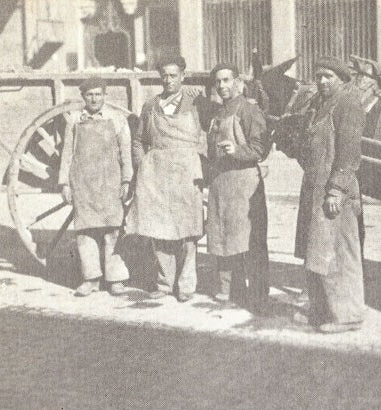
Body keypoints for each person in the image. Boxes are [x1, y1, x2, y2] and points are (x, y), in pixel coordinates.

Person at [294, 56, 367, 333]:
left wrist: (337, 189)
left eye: (329, 77)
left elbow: (349, 154)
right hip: (315, 187)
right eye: (319, 76)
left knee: (339, 252)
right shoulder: (320, 105)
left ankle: (348, 316)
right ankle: (321, 310)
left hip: (334, 191)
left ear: (342, 79)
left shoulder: (348, 104)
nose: (322, 81)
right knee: (316, 250)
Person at [126, 56, 205, 302]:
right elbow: (139, 140)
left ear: (183, 75)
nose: (168, 80)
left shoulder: (196, 103)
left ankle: (186, 285)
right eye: (165, 76)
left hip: (186, 173)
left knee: (188, 231)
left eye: (174, 75)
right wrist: (143, 163)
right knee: (158, 230)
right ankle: (164, 283)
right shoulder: (151, 105)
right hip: (156, 174)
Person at [59, 77, 132, 297]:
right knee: (85, 231)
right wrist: (64, 183)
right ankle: (90, 278)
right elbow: (67, 154)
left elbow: (126, 153)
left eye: (98, 94)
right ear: (83, 97)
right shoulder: (74, 120)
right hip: (83, 183)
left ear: (105, 96)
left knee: (113, 230)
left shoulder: (117, 119)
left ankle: (115, 279)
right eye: (89, 95)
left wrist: (126, 179)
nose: (94, 98)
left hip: (110, 182)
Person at [206, 63, 270, 307]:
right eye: (218, 82)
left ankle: (258, 294)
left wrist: (237, 150)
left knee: (250, 241)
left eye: (226, 80)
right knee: (223, 237)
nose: (222, 86)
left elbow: (260, 149)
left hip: (244, 182)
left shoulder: (249, 110)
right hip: (221, 182)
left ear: (238, 82)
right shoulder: (217, 113)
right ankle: (230, 290)